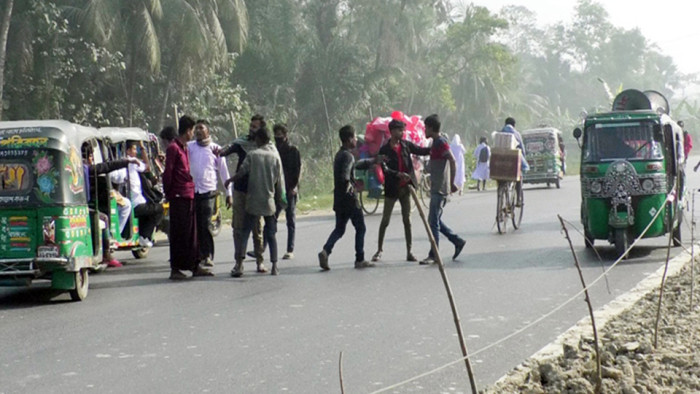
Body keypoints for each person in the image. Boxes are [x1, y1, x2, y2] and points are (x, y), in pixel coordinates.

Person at [318, 125, 383, 270]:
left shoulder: (340, 154)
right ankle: (359, 259)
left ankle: (325, 251)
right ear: (348, 140)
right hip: (349, 199)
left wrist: (373, 160)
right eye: (354, 137)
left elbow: (357, 165)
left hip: (339, 199)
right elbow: (346, 174)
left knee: (340, 229)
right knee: (361, 228)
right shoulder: (348, 156)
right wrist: (349, 185)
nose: (355, 140)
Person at [226, 127, 285, 277]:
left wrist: (230, 180)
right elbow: (280, 182)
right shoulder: (275, 157)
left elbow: (241, 172)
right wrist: (280, 201)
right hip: (268, 201)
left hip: (253, 201)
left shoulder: (252, 155)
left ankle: (239, 264)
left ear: (258, 139)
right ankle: (274, 266)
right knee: (270, 234)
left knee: (245, 232)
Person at [371, 119, 430, 263]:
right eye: (399, 130)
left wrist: (435, 146)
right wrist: (397, 174)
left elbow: (420, 150)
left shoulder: (406, 146)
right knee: (385, 220)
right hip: (392, 188)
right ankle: (379, 250)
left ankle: (409, 251)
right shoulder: (385, 150)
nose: (402, 133)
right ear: (392, 132)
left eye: (403, 130)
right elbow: (383, 168)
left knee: (407, 220)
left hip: (406, 187)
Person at [162, 115, 213, 280]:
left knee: (192, 233)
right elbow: (168, 173)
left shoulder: (184, 147)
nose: (193, 134)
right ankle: (176, 268)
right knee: (179, 233)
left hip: (188, 194)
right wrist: (169, 194)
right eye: (192, 130)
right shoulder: (173, 148)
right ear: (188, 131)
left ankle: (194, 265)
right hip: (178, 196)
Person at [219, 114, 267, 272]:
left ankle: (260, 261)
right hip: (240, 190)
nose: (251, 129)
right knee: (238, 228)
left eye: (255, 127)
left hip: (256, 191)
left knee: (257, 228)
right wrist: (220, 151)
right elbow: (227, 150)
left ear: (261, 129)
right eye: (250, 126)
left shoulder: (265, 146)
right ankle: (239, 262)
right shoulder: (242, 142)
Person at [420, 114, 467, 265]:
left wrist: (453, 182)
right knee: (435, 220)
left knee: (433, 222)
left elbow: (452, 160)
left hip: (440, 189)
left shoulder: (441, 142)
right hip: (436, 187)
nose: (424, 130)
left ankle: (434, 254)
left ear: (432, 128)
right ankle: (457, 240)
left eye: (426, 127)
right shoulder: (434, 144)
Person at [82, 146, 138, 267]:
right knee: (104, 218)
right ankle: (106, 254)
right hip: (83, 208)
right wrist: (126, 161)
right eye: (90, 156)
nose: (92, 158)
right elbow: (106, 167)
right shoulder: (86, 168)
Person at [188, 119, 233, 268]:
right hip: (193, 191)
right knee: (194, 224)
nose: (198, 131)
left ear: (208, 131)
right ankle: (196, 254)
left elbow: (224, 173)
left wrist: (229, 193)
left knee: (205, 224)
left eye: (201, 128)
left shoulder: (216, 149)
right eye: (196, 129)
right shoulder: (189, 147)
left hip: (208, 192)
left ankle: (207, 255)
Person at [124, 140, 163, 247]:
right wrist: (142, 148)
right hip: (136, 203)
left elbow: (146, 167)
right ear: (128, 151)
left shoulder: (130, 163)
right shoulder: (131, 162)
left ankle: (143, 235)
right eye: (134, 149)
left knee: (151, 210)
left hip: (138, 201)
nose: (136, 152)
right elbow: (147, 167)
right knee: (159, 209)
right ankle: (144, 236)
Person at [273, 123, 301, 260]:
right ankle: (262, 248)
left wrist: (294, 187)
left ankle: (290, 249)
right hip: (276, 190)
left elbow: (298, 170)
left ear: (285, 136)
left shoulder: (293, 151)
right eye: (276, 135)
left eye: (280, 135)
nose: (278, 138)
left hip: (289, 190)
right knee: (272, 219)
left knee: (290, 219)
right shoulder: (273, 151)